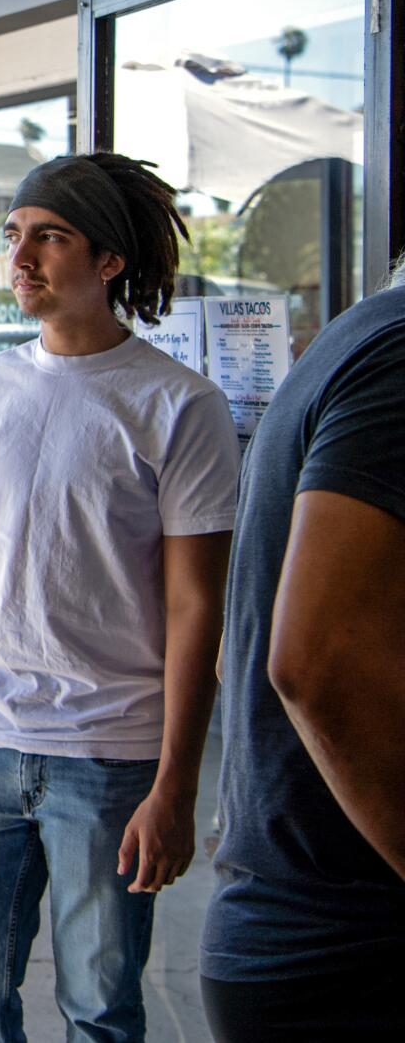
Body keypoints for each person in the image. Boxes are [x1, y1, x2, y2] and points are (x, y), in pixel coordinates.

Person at [0, 153, 239, 1043]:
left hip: (111, 755)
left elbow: (199, 606)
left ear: (109, 260)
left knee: (101, 1013)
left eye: (51, 236)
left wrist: (176, 783)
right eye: (15, 236)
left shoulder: (178, 405)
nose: (22, 258)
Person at [198, 260, 405, 1041]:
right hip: (348, 957)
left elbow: (240, 652)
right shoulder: (395, 356)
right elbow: (315, 664)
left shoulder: (359, 335)